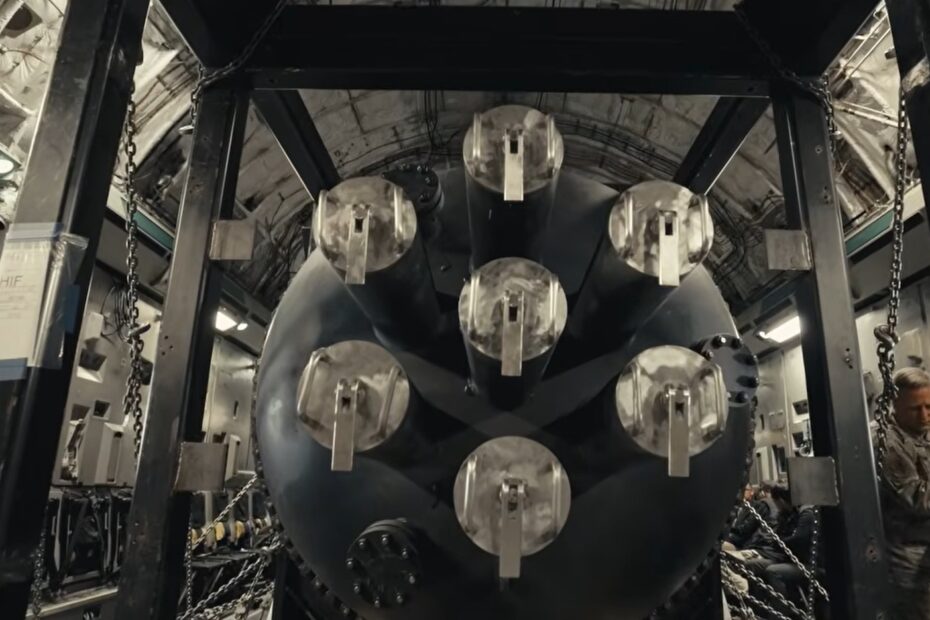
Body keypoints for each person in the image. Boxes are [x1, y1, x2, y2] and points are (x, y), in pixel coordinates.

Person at [880, 367, 930, 620]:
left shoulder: (923, 434)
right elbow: (918, 500)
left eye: (929, 407)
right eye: (915, 409)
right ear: (895, 405)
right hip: (908, 556)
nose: (924, 415)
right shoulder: (888, 443)